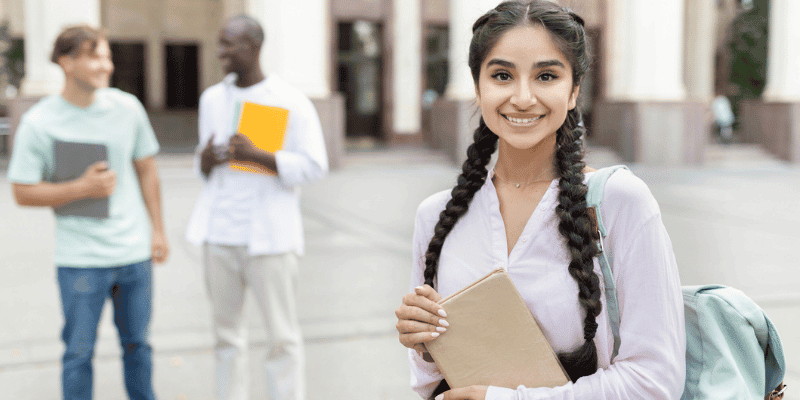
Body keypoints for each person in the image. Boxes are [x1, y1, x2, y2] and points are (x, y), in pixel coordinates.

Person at [394, 2, 686, 399]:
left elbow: (656, 382)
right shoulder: (436, 216)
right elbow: (428, 385)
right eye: (502, 75)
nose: (523, 97)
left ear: (573, 92)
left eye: (546, 75)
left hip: (281, 241)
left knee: (280, 346)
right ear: (478, 90)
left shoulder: (619, 203)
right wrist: (424, 342)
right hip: (275, 237)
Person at [8, 25, 167, 400]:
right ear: (67, 62)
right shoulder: (40, 123)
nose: (106, 66)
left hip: (133, 255)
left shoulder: (127, 108)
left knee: (139, 348)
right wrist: (80, 188)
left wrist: (157, 230)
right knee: (78, 354)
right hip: (79, 259)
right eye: (95, 56)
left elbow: (147, 169)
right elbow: (21, 191)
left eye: (107, 56)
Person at [185, 14, 328, 400]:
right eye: (220, 43)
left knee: (282, 337)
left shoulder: (289, 101)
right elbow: (203, 164)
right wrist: (206, 161)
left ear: (254, 46)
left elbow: (316, 166)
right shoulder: (213, 99)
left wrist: (261, 156)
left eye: (230, 44)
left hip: (270, 238)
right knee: (225, 337)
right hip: (219, 235)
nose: (221, 52)